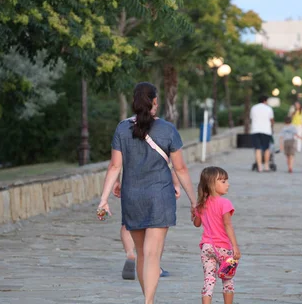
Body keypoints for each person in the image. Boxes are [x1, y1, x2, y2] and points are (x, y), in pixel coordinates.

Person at [97, 82, 197, 304]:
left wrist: (104, 199)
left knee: (142, 253)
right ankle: (148, 302)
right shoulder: (168, 129)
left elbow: (114, 166)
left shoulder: (122, 128)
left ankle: (148, 300)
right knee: (153, 255)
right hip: (160, 195)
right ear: (154, 102)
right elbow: (180, 168)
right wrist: (193, 201)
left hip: (132, 197)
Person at [113, 170, 179, 280]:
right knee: (157, 226)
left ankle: (130, 253)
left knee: (127, 223)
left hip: (131, 185)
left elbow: (116, 165)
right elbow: (176, 167)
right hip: (158, 187)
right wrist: (176, 184)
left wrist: (116, 181)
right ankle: (155, 267)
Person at [192, 167, 240, 304]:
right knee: (228, 279)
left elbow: (196, 223)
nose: (227, 184)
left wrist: (195, 212)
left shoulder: (202, 204)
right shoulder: (225, 203)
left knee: (209, 279)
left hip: (207, 247)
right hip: (223, 247)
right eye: (223, 181)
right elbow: (227, 225)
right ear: (212, 184)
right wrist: (235, 246)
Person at [250, 95, 274, 172]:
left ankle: (259, 166)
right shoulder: (268, 108)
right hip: (266, 130)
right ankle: (266, 166)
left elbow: (252, 118)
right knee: (266, 149)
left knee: (257, 149)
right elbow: (271, 120)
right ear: (265, 101)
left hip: (255, 130)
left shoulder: (253, 108)